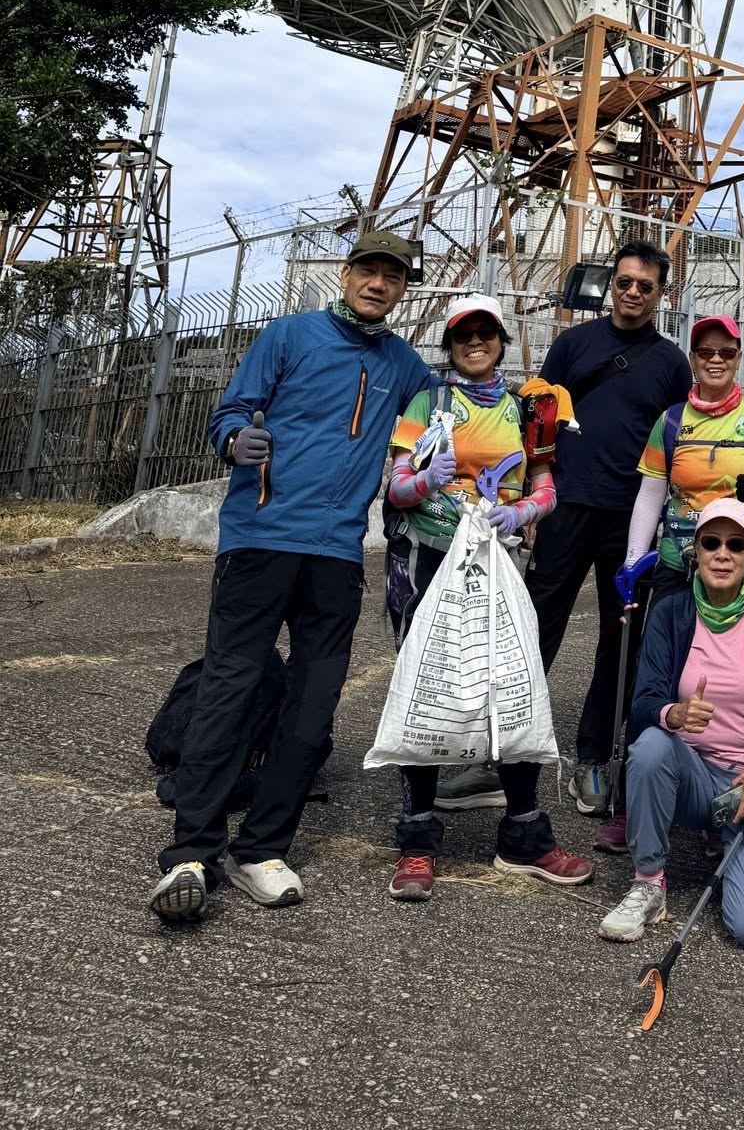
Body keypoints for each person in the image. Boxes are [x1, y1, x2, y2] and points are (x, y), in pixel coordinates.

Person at [149, 231, 434, 923]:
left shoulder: (406, 366)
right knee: (230, 687)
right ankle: (192, 849)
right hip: (260, 538)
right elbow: (225, 414)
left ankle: (262, 849)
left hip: (338, 553)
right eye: (368, 269)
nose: (377, 283)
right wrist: (231, 441)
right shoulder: (287, 334)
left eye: (392, 276)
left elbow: (459, 417)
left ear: (403, 289)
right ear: (345, 274)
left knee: (313, 706)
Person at [471, 241, 689, 844]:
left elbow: (677, 439)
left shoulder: (672, 362)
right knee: (537, 623)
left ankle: (594, 754)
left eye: (646, 286)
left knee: (622, 637)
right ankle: (508, 740)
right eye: (625, 282)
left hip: (632, 518)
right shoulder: (574, 345)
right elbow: (536, 421)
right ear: (610, 285)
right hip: (565, 505)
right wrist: (528, 499)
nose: (633, 293)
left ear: (659, 293)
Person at [381, 293, 592, 901]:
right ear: (451, 344)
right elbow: (395, 489)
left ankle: (523, 833)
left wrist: (522, 509)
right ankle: (417, 840)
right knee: (426, 686)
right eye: (464, 335)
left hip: (497, 561)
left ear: (501, 339)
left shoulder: (529, 408)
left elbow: (548, 484)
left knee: (511, 684)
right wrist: (424, 480)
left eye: (486, 333)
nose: (476, 342)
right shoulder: (428, 402)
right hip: (426, 560)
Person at [599, 498, 744, 948]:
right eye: (711, 542)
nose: (723, 554)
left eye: (736, 544)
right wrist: (672, 714)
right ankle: (648, 882)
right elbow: (642, 703)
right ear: (695, 551)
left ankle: (733, 843)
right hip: (691, 774)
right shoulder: (670, 613)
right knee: (652, 745)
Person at [625, 313, 744, 600]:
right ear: (692, 359)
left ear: (738, 359)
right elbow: (649, 498)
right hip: (679, 564)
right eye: (705, 352)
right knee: (669, 644)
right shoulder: (670, 421)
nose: (716, 360)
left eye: (727, 353)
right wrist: (633, 561)